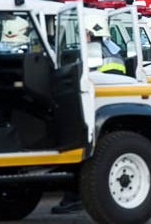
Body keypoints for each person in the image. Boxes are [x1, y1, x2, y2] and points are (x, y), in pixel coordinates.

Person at [52, 14, 125, 215]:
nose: (82, 36)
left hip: (95, 108)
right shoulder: (112, 51)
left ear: (91, 33)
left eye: (84, 32)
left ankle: (74, 197)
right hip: (109, 110)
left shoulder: (95, 53)